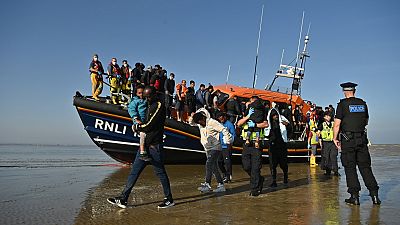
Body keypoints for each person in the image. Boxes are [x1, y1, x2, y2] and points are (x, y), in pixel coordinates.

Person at [107, 86, 174, 209]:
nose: (146, 98)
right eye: (144, 96)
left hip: (155, 147)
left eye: (148, 96)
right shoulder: (147, 104)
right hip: (145, 146)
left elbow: (149, 125)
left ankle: (169, 199)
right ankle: (123, 198)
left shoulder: (159, 106)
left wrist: (137, 127)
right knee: (134, 172)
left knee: (160, 173)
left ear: (154, 95)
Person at [333, 82, 381, 205]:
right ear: (354, 91)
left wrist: (335, 138)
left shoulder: (342, 104)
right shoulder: (363, 104)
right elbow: (366, 120)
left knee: (350, 168)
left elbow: (337, 124)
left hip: (348, 140)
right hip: (362, 139)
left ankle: (354, 197)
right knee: (365, 167)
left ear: (344, 91)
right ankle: (375, 196)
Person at [192, 108, 233, 193]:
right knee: (214, 167)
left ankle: (207, 184)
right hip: (207, 148)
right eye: (198, 123)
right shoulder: (200, 124)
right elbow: (191, 123)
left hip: (216, 147)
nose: (200, 124)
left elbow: (223, 129)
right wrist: (193, 115)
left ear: (203, 118)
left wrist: (228, 141)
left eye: (201, 122)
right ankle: (221, 185)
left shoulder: (212, 122)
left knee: (209, 163)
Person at [237, 103, 268, 196]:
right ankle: (259, 179)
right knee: (246, 166)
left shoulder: (261, 117)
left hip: (256, 145)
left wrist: (255, 124)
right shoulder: (247, 117)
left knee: (256, 168)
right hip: (246, 144)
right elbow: (239, 124)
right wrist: (248, 116)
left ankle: (254, 189)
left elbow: (266, 124)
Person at [265, 108, 290, 187]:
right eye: (273, 115)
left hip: (282, 145)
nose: (275, 117)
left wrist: (288, 125)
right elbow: (266, 134)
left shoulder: (282, 122)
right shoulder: (268, 124)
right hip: (272, 146)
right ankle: (274, 181)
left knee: (284, 163)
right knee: (272, 164)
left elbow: (290, 129)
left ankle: (285, 177)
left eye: (276, 115)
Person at [128, 85, 151, 162]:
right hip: (138, 123)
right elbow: (131, 109)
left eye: (142, 93)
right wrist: (136, 119)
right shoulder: (135, 102)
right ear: (136, 94)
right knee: (143, 135)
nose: (141, 94)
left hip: (145, 122)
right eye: (139, 93)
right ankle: (142, 152)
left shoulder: (147, 101)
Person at [216, 112, 236, 183]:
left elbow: (233, 135)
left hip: (227, 146)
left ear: (224, 117)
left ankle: (229, 176)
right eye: (219, 118)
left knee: (227, 162)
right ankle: (224, 173)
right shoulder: (219, 125)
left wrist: (230, 144)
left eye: (221, 118)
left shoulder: (230, 125)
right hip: (220, 146)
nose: (220, 119)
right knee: (219, 161)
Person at [318, 111, 339, 176]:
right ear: (324, 117)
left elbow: (338, 131)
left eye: (329, 116)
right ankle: (328, 171)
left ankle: (336, 171)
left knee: (333, 156)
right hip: (325, 143)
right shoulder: (322, 124)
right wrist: (320, 143)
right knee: (326, 157)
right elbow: (319, 134)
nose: (328, 117)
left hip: (333, 142)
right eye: (326, 116)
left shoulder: (334, 124)